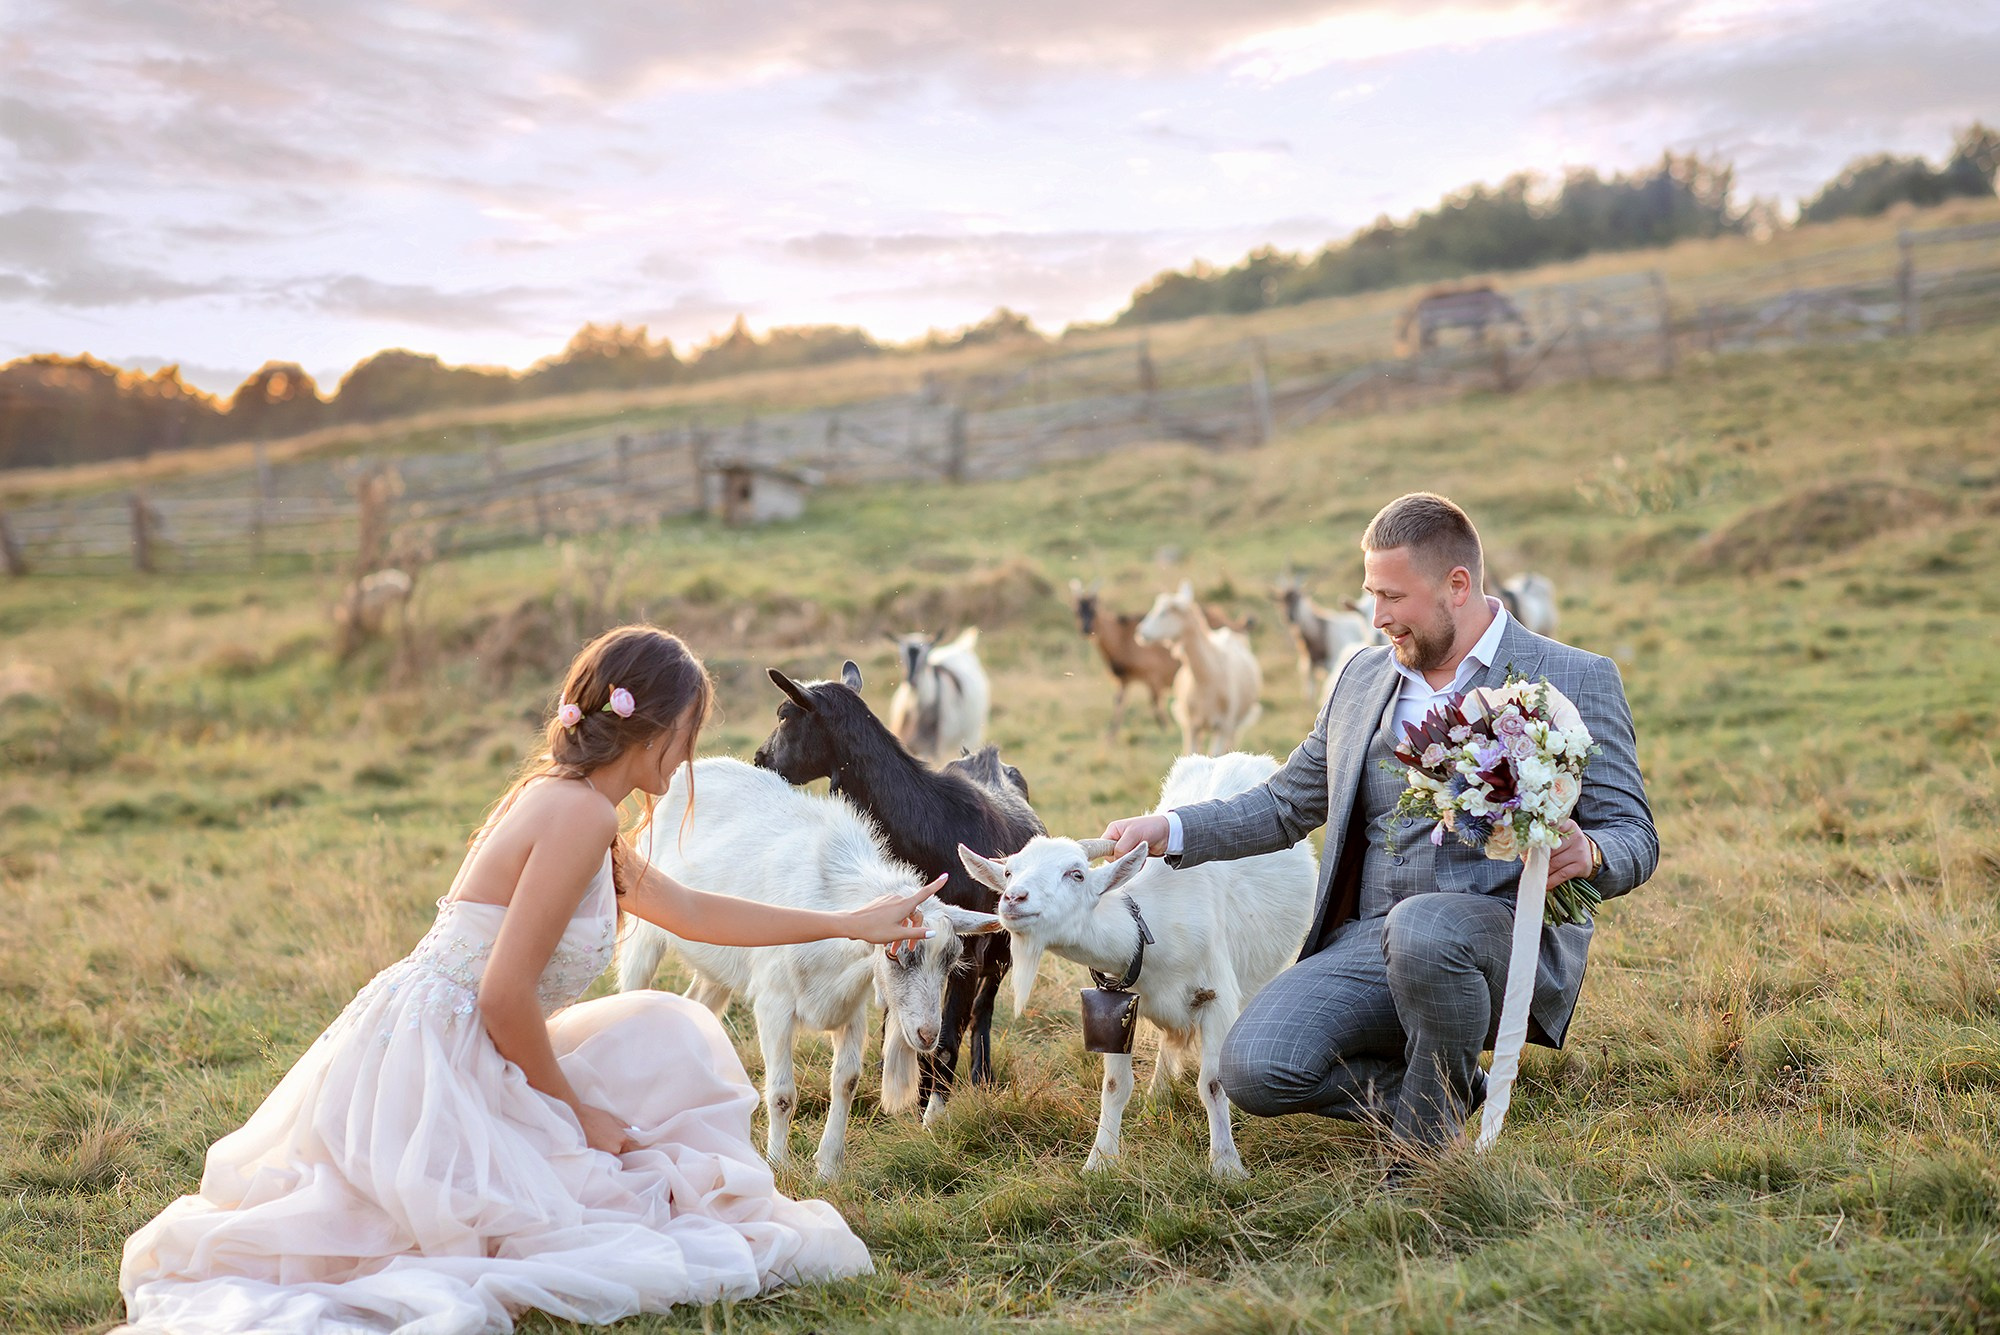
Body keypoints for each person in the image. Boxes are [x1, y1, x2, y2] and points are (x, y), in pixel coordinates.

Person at [117, 625, 939, 1335]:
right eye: (690, 728)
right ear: (648, 727)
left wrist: (851, 920)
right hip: (442, 1054)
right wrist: (577, 1114)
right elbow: (502, 996)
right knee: (578, 1202)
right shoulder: (578, 813)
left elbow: (691, 909)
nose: (692, 750)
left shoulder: (585, 806)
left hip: (466, 1035)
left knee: (665, 1032)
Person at [1103, 493, 1657, 1162]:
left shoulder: (1574, 675)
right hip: (1366, 939)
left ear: (1457, 585)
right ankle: (1443, 1085)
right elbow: (1286, 802)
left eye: (1392, 595)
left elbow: (1635, 832)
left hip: (1498, 933)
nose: (1376, 615)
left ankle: (1419, 1157)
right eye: (1370, 593)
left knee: (1425, 926)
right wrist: (1168, 827)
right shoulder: (1361, 676)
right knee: (1256, 1066)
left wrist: (1592, 850)